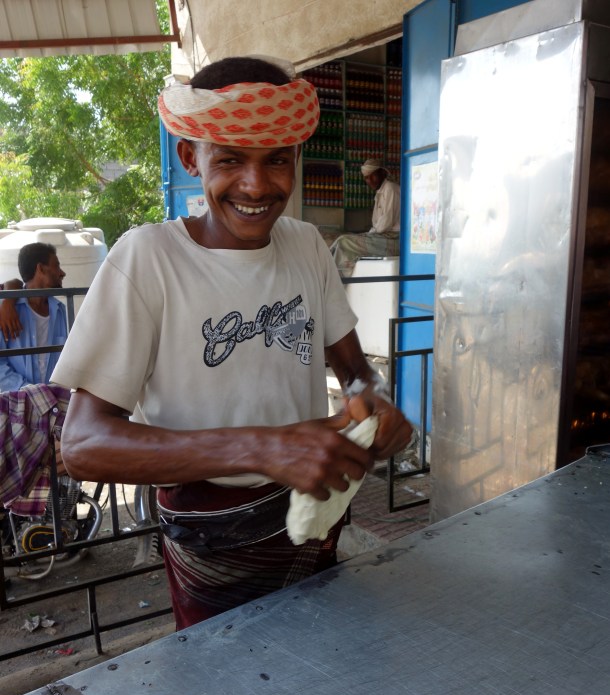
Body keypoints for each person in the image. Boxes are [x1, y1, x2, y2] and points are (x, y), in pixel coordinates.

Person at [52, 55, 412, 630]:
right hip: (210, 534)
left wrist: (376, 406)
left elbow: (356, 374)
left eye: (277, 161)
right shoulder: (147, 260)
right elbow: (85, 444)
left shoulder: (306, 247)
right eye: (230, 160)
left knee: (321, 663)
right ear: (190, 156)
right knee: (228, 685)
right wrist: (260, 448)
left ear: (296, 158)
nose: (256, 185)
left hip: (313, 513)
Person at [0, 242, 67, 391]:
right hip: (16, 402)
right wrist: (30, 393)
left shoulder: (60, 310)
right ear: (41, 269)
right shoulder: (7, 310)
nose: (62, 273)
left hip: (54, 401)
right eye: (56, 265)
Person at [329, 159, 401, 276]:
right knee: (341, 242)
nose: (370, 181)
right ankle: (328, 272)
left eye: (373, 176)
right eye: (367, 177)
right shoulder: (379, 193)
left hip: (393, 240)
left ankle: (334, 278)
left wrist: (368, 235)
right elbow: (376, 224)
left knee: (344, 241)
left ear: (382, 173)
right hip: (382, 236)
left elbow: (385, 224)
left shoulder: (390, 189)